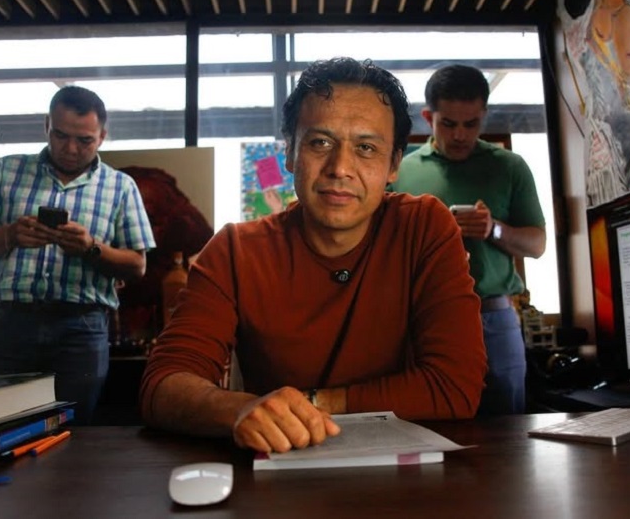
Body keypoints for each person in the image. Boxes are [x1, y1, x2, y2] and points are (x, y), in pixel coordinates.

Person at [140, 57, 487, 454]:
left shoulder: (423, 227)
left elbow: (455, 387)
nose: (340, 168)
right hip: (278, 467)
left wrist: (311, 403)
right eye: (320, 143)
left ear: (393, 164)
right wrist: (240, 410)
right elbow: (162, 386)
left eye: (366, 148)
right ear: (290, 152)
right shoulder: (236, 250)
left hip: (405, 472)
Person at [0, 85, 156, 424]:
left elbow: (137, 266)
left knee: (75, 433)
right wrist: (9, 235)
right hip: (8, 322)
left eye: (84, 140)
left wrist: (90, 248)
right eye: (61, 135)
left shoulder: (121, 186)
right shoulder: (7, 170)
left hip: (81, 327)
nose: (71, 148)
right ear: (46, 125)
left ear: (102, 136)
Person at [390, 65, 546, 415]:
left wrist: (494, 229)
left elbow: (537, 245)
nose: (460, 135)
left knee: (509, 424)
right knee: (429, 418)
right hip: (422, 316)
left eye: (471, 124)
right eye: (448, 124)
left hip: (495, 315)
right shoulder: (400, 172)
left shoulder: (510, 167)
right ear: (428, 117)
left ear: (484, 116)